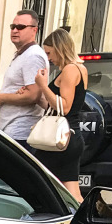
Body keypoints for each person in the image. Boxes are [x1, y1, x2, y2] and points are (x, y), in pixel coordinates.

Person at [31, 28, 89, 200]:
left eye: (49, 53)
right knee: (73, 193)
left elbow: (64, 107)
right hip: (71, 135)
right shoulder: (80, 68)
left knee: (38, 181)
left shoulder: (70, 70)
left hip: (60, 138)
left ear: (59, 48)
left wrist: (42, 85)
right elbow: (55, 106)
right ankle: (82, 223)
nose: (49, 58)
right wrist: (39, 99)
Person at [0, 10, 48, 144]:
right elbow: (19, 89)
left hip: (20, 131)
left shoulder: (33, 56)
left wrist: (1, 98)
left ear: (34, 30)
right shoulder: (23, 54)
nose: (15, 30)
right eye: (13, 27)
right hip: (9, 129)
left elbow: (33, 95)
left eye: (21, 27)